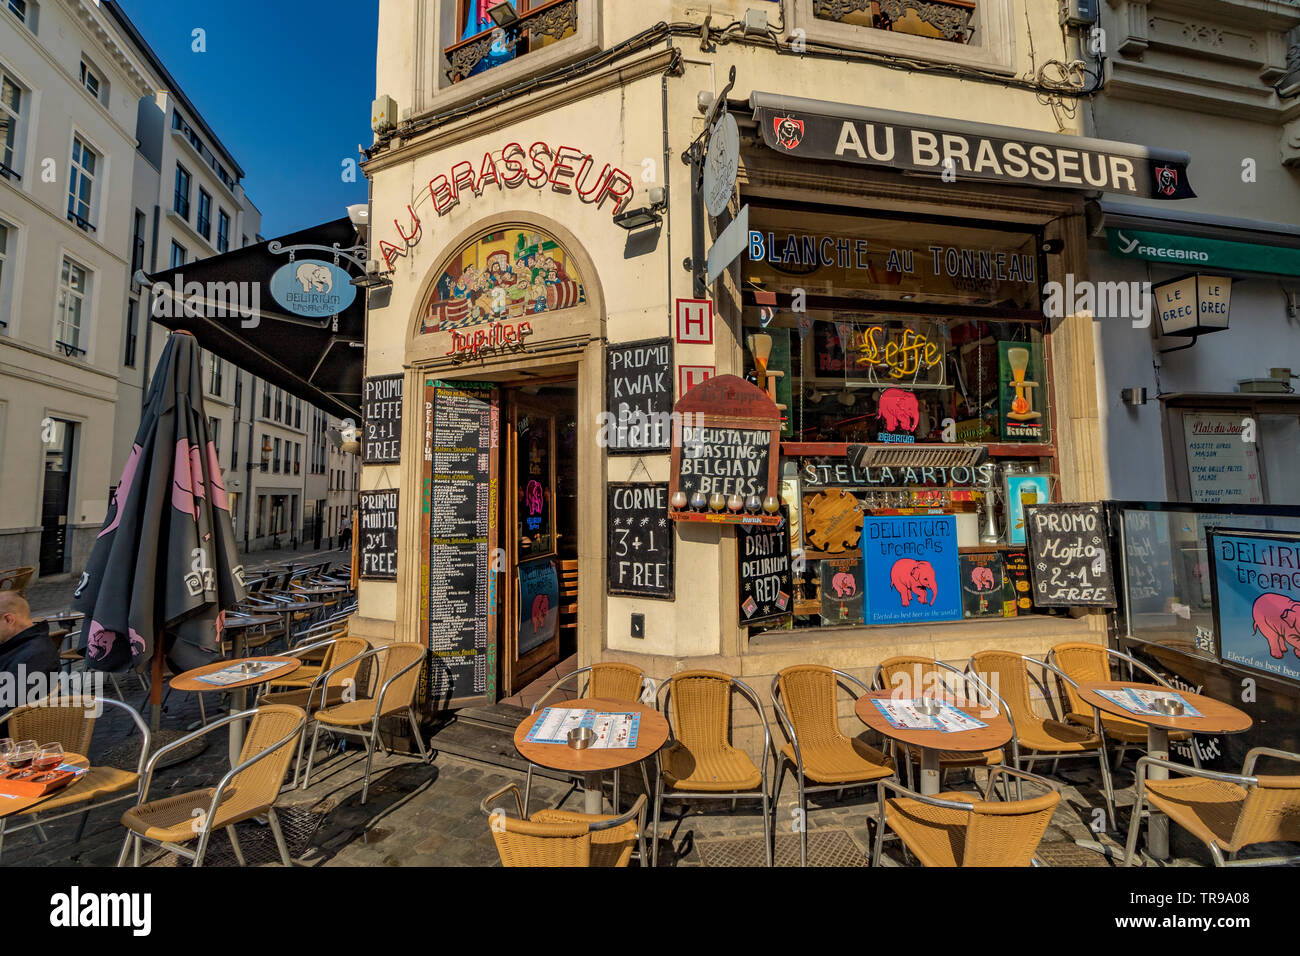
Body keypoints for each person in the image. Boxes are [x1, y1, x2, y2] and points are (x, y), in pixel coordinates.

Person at [0, 593, 61, 718]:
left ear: (8, 619)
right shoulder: (19, 645)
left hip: (18, 731)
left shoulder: (34, 655)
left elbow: (6, 712)